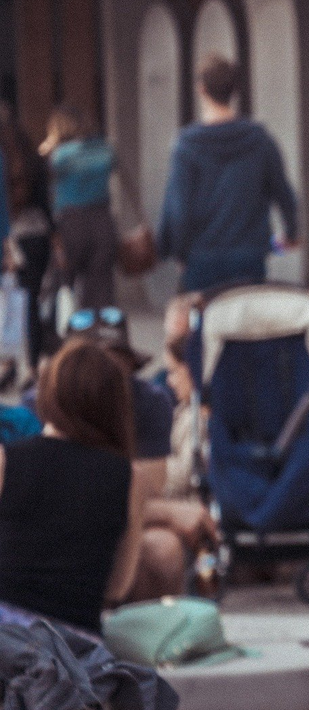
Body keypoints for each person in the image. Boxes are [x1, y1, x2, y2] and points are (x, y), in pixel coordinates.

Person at [60, 307, 218, 601]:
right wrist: (171, 512)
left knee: (163, 550)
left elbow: (149, 490)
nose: (101, 375)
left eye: (111, 363)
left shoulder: (148, 402)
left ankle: (153, 637)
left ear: (128, 366)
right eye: (89, 364)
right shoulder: (43, 406)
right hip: (59, 532)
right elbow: (55, 501)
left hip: (125, 522)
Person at [0, 339, 144, 634]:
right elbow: (118, 587)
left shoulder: (6, 460)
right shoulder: (128, 476)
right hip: (75, 647)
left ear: (49, 393)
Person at [157, 53, 299, 292]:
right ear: (235, 90)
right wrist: (291, 232)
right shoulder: (259, 139)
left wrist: (175, 252)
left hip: (201, 257)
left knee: (204, 325)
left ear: (201, 89)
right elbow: (283, 193)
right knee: (246, 324)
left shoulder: (187, 145)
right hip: (250, 255)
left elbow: (178, 207)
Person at [39, 106, 118, 308]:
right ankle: (97, 332)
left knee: (62, 284)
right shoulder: (104, 149)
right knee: (101, 286)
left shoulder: (60, 155)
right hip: (102, 220)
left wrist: (48, 147)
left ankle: (66, 333)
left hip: (70, 221)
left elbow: (40, 174)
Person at [0, 102, 54, 380]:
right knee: (30, 302)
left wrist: (7, 246)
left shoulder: (4, 156)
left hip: (12, 238)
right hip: (37, 234)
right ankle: (33, 366)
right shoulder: (29, 152)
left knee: (11, 304)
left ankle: (8, 365)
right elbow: (46, 200)